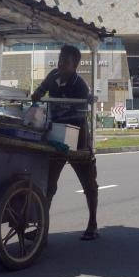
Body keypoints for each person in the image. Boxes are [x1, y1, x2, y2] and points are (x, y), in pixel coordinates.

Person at [31, 45, 99, 240]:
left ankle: (93, 224)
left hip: (77, 136)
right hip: (56, 135)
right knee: (49, 184)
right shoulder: (53, 75)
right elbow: (39, 92)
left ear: (75, 65)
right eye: (60, 59)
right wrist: (37, 96)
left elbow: (79, 113)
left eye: (66, 62)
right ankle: (42, 226)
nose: (61, 64)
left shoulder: (80, 85)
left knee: (88, 182)